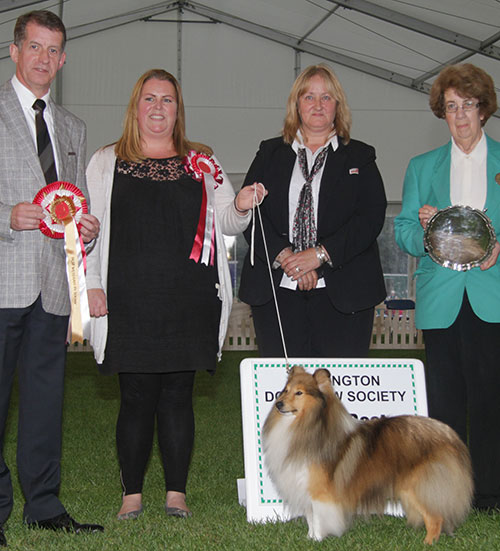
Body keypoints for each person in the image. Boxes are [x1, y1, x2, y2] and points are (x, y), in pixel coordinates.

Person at [86, 69, 266, 520]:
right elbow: (86, 231)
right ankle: (131, 496)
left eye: (168, 100)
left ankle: (176, 495)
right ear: (136, 106)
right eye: (150, 99)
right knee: (135, 397)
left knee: (178, 396)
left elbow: (225, 220)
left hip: (189, 298)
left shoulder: (201, 160)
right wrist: (91, 284)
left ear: (177, 110)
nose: (158, 108)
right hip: (129, 301)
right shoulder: (106, 161)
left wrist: (241, 205)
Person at [0, 10, 103, 546]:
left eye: (52, 51)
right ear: (14, 51)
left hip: (53, 290)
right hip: (2, 280)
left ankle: (43, 504)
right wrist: (6, 215)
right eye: (33, 47)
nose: (43, 59)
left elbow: (69, 208)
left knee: (44, 404)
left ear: (62, 61)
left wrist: (85, 229)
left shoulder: (73, 128)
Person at [394, 63, 500, 510]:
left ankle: (492, 492)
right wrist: (425, 230)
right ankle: (449, 492)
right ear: (443, 113)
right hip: (441, 300)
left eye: (468, 106)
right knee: (445, 404)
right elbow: (401, 232)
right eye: (451, 107)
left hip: (490, 297)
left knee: (492, 399)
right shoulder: (422, 167)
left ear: (483, 110)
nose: (460, 116)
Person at [238, 64, 386, 357]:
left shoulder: (361, 156)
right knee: (285, 393)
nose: (318, 105)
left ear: (337, 106)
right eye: (309, 97)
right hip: (277, 292)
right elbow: (250, 214)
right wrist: (289, 259)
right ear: (296, 105)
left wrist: (317, 256)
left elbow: (370, 218)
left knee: (335, 397)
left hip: (345, 293)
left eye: (326, 97)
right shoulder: (269, 153)